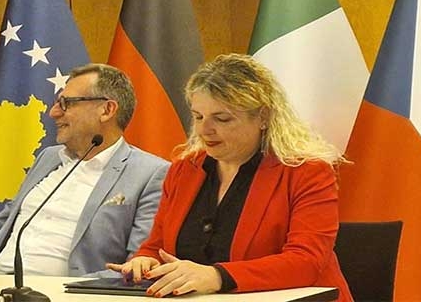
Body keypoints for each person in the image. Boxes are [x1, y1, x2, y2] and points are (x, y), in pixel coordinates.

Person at [107, 54, 353, 301]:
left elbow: (306, 262)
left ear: (263, 117)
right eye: (198, 116)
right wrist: (145, 260)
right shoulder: (184, 170)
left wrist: (218, 276)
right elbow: (156, 246)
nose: (204, 130)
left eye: (222, 119)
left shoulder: (307, 171)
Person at [0, 63, 169, 277]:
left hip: (67, 291)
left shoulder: (151, 174)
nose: (53, 112)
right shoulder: (48, 158)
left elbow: (137, 266)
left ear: (107, 110)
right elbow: (2, 225)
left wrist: (72, 289)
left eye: (66, 103)